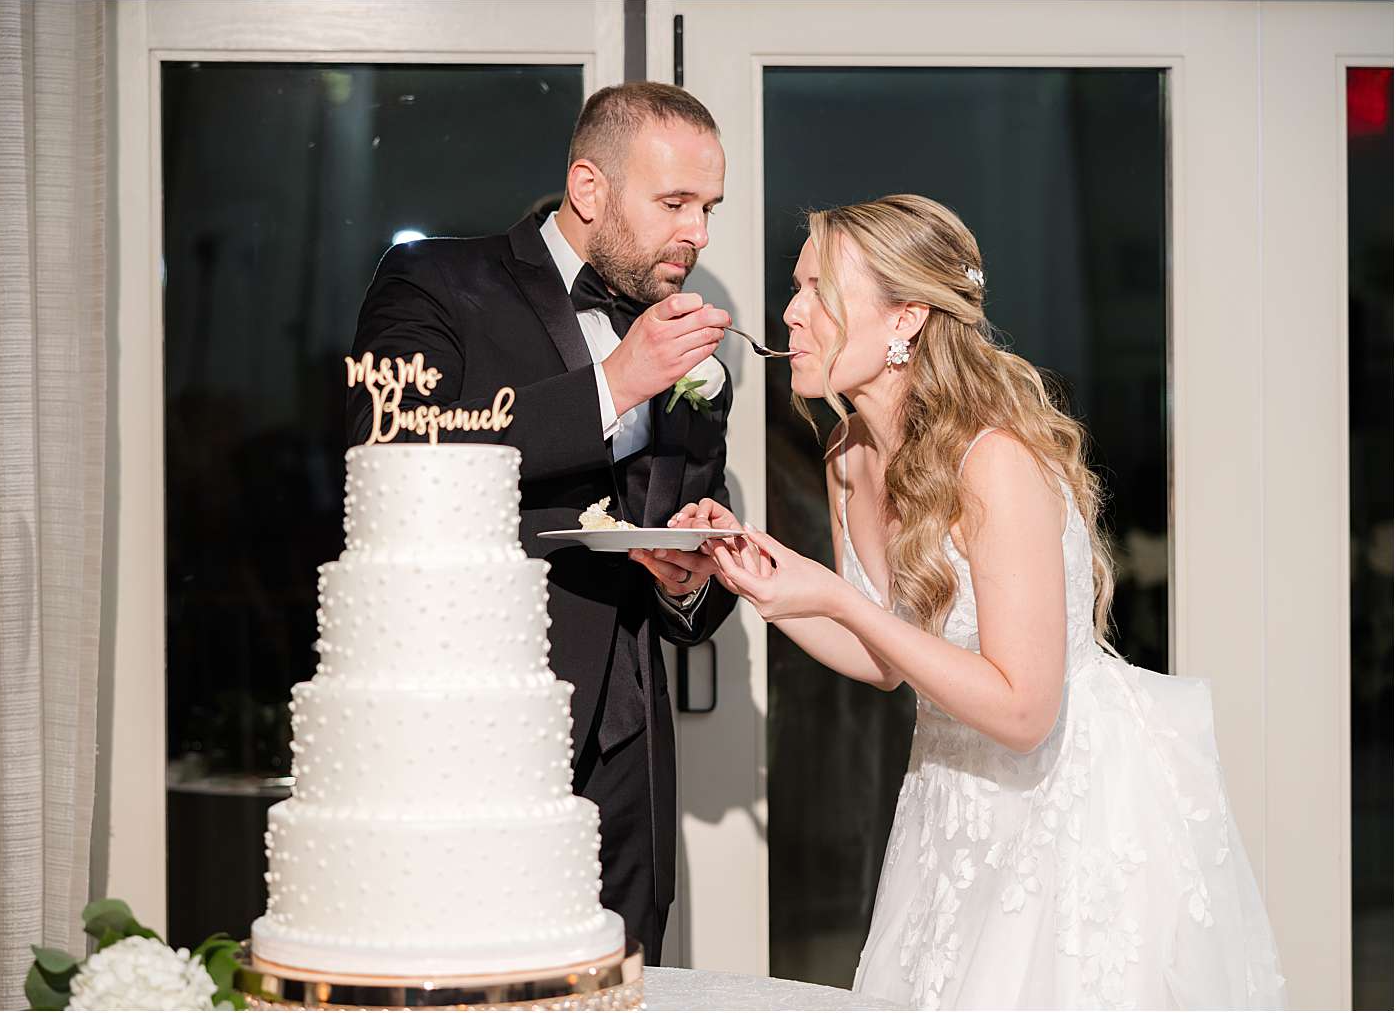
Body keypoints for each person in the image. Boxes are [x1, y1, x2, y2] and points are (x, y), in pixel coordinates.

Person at [674, 194, 1288, 1007]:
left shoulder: (994, 461)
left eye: (816, 290)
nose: (789, 313)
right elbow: (887, 662)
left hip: (1070, 805)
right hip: (946, 798)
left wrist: (838, 600)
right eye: (795, 288)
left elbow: (1025, 709)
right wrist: (752, 578)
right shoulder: (849, 454)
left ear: (907, 319)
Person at [346, 82, 737, 962]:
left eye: (708, 207)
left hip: (628, 749)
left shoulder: (690, 350)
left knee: (621, 981)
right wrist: (614, 383)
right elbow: (395, 450)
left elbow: (691, 562)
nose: (699, 234)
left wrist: (693, 579)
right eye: (675, 203)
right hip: (468, 731)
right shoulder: (435, 281)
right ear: (590, 189)